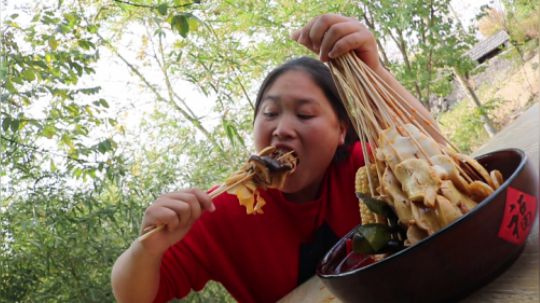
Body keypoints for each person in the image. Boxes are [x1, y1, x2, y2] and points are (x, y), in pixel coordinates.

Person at [111, 14, 435, 303]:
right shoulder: (224, 208)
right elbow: (134, 295)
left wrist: (373, 71)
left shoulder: (362, 168)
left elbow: (441, 163)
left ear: (341, 130)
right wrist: (146, 249)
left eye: (305, 114)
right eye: (270, 113)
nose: (282, 129)